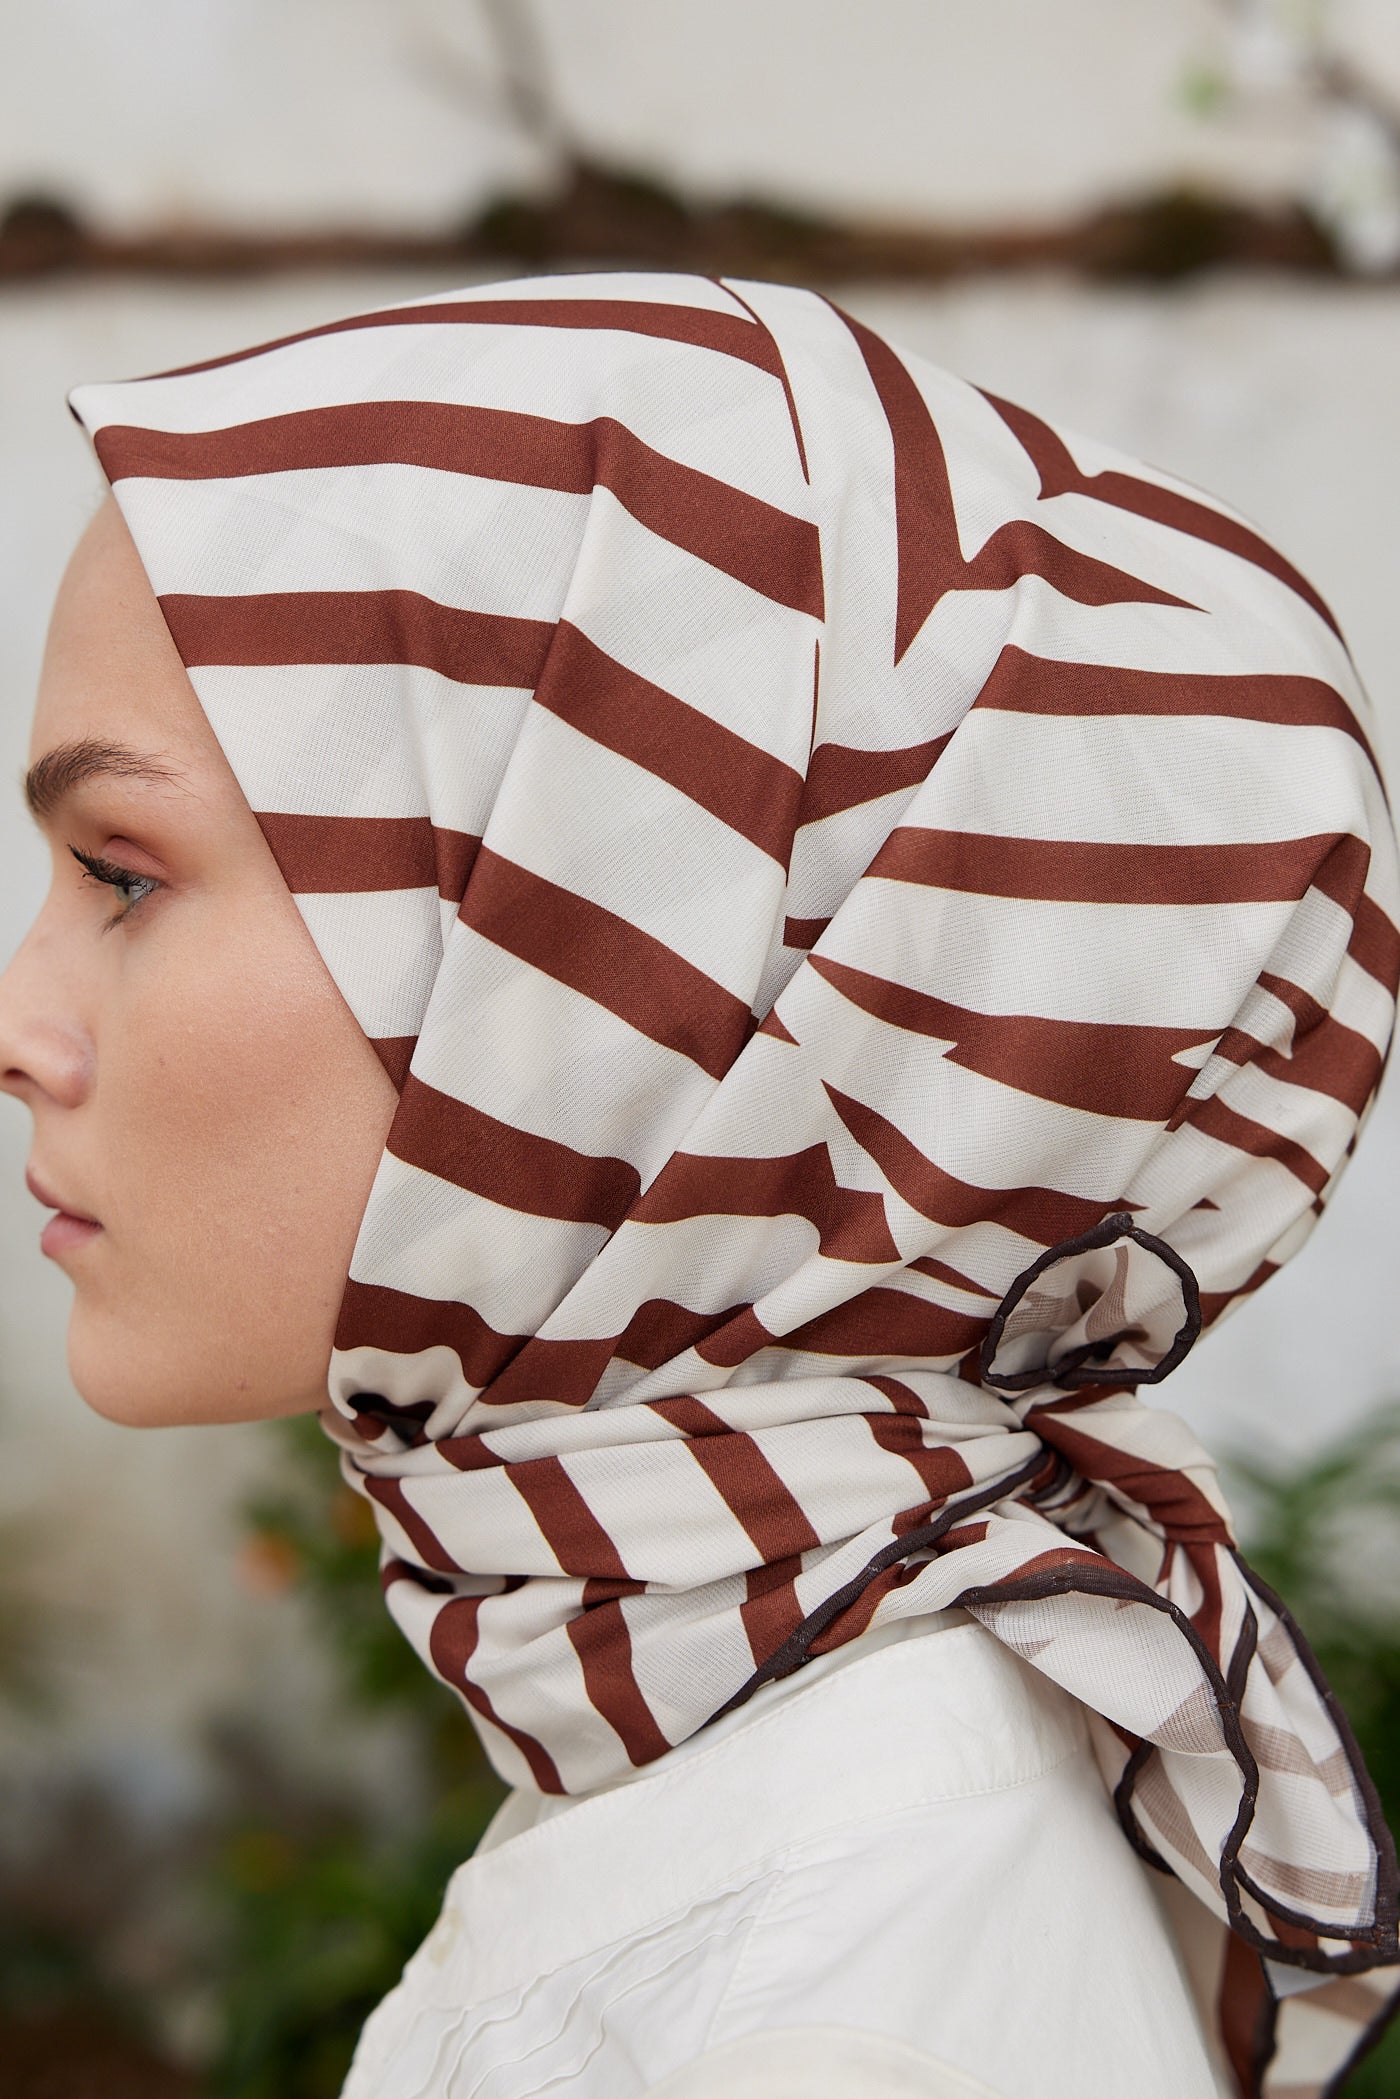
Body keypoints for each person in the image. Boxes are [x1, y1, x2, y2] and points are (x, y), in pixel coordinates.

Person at [1, 270, 1396, 2099]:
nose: (22, 1024)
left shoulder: (818, 2015)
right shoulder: (749, 1762)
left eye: (122, 874)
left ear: (607, 973)